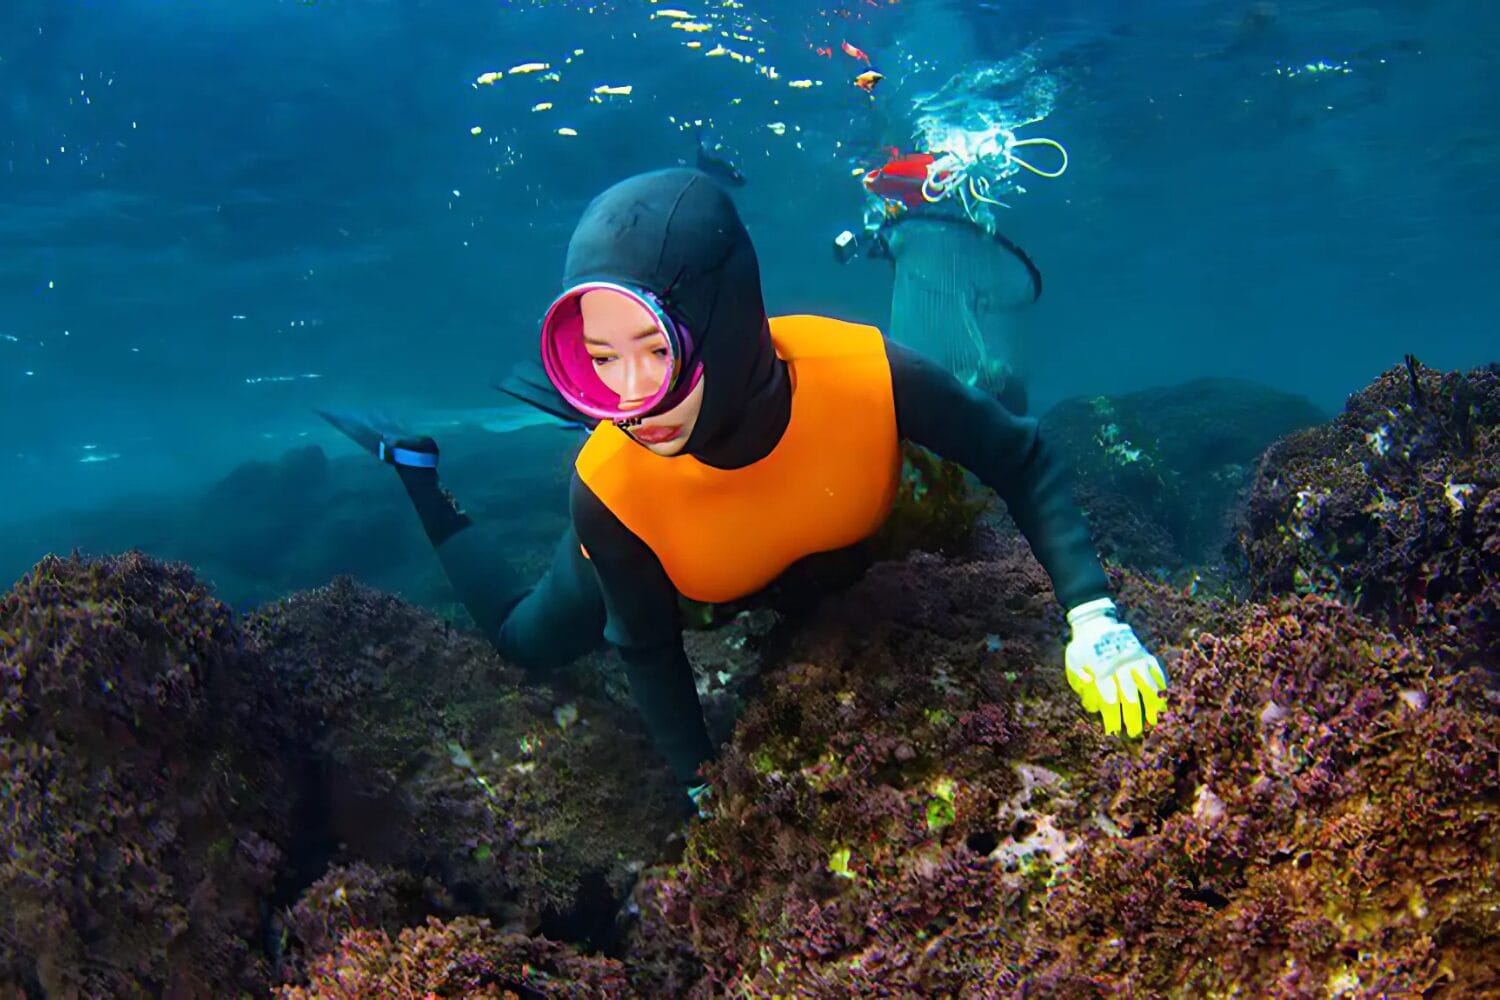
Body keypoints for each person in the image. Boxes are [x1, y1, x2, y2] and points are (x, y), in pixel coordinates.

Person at [323, 168, 1167, 810]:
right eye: (602, 360)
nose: (632, 401)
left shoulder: (865, 374)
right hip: (657, 558)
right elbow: (648, 649)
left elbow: (1021, 459)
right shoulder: (610, 487)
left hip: (789, 549)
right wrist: (701, 783)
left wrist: (1095, 619)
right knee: (521, 640)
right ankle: (416, 472)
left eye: (657, 350)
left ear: (724, 323)